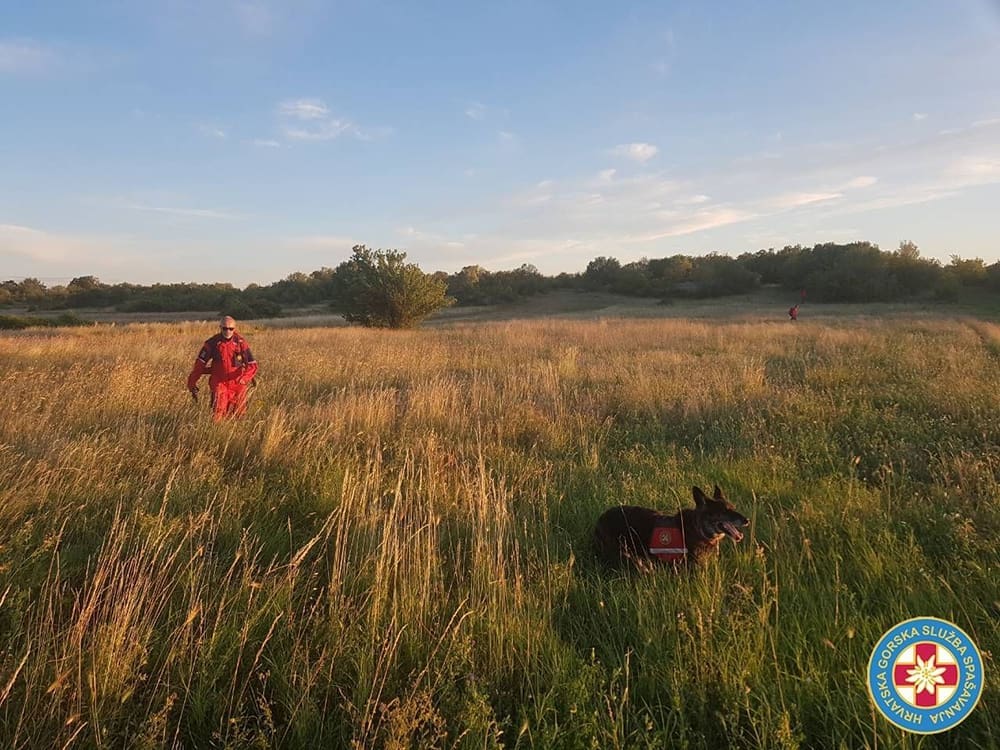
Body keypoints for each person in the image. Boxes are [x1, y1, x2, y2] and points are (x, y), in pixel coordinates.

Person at [187, 315, 258, 420]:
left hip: (237, 383)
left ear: (235, 328)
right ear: (220, 327)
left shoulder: (241, 343)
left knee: (240, 414)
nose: (228, 331)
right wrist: (192, 383)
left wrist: (244, 378)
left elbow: (252, 365)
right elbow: (199, 366)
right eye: (224, 328)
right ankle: (217, 434)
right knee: (218, 414)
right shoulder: (212, 343)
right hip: (219, 383)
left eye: (231, 329)